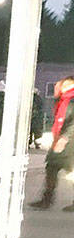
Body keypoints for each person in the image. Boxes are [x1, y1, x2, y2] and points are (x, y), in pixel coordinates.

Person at [28, 76, 74, 210]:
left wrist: (64, 138)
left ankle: (47, 200)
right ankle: (47, 199)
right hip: (61, 142)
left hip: (69, 143)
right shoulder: (64, 100)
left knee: (66, 169)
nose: (57, 87)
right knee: (52, 168)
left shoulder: (71, 100)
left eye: (60, 85)